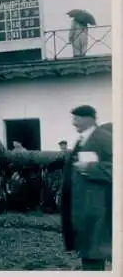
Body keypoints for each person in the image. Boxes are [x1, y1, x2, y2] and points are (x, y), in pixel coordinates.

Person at [53, 105, 112, 271]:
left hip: (97, 207)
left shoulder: (103, 137)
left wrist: (91, 168)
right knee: (88, 249)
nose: (73, 123)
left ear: (90, 119)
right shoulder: (83, 139)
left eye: (77, 119)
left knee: (94, 251)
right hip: (84, 206)